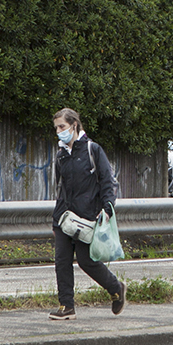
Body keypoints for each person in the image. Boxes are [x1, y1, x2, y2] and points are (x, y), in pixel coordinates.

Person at [49, 107, 126, 320]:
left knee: (86, 261)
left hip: (87, 218)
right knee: (61, 261)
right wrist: (56, 220)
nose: (59, 131)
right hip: (65, 217)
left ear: (74, 125)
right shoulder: (61, 155)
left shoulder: (93, 150)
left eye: (62, 126)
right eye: (56, 128)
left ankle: (116, 288)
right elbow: (60, 188)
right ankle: (67, 306)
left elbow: (107, 182)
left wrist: (108, 208)